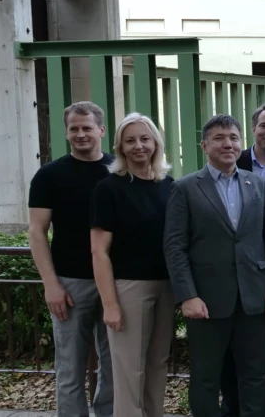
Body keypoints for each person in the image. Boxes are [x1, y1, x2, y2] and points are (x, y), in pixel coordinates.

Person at [163, 114, 265, 417]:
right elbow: (175, 246)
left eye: (233, 137)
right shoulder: (185, 187)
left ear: (241, 143)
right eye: (219, 138)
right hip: (206, 301)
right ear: (204, 145)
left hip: (254, 300)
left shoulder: (257, 185)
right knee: (206, 377)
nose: (227, 143)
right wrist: (187, 295)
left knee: (256, 375)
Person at [28, 101, 115, 417]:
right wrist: (51, 285)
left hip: (117, 282)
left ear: (101, 130)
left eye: (87, 127)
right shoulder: (49, 175)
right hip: (69, 283)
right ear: (67, 133)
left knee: (115, 364)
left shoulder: (119, 169)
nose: (81, 134)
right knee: (69, 366)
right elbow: (37, 232)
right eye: (74, 129)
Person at [90, 112, 175, 417]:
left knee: (157, 365)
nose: (139, 145)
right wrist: (110, 304)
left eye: (145, 138)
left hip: (167, 287)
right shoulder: (109, 188)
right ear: (120, 147)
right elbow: (99, 252)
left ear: (156, 143)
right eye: (130, 140)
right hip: (129, 289)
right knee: (129, 372)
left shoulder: (170, 186)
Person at [222, 102, 265, 416]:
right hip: (231, 273)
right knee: (228, 353)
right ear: (253, 128)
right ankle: (230, 407)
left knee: (262, 352)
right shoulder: (228, 160)